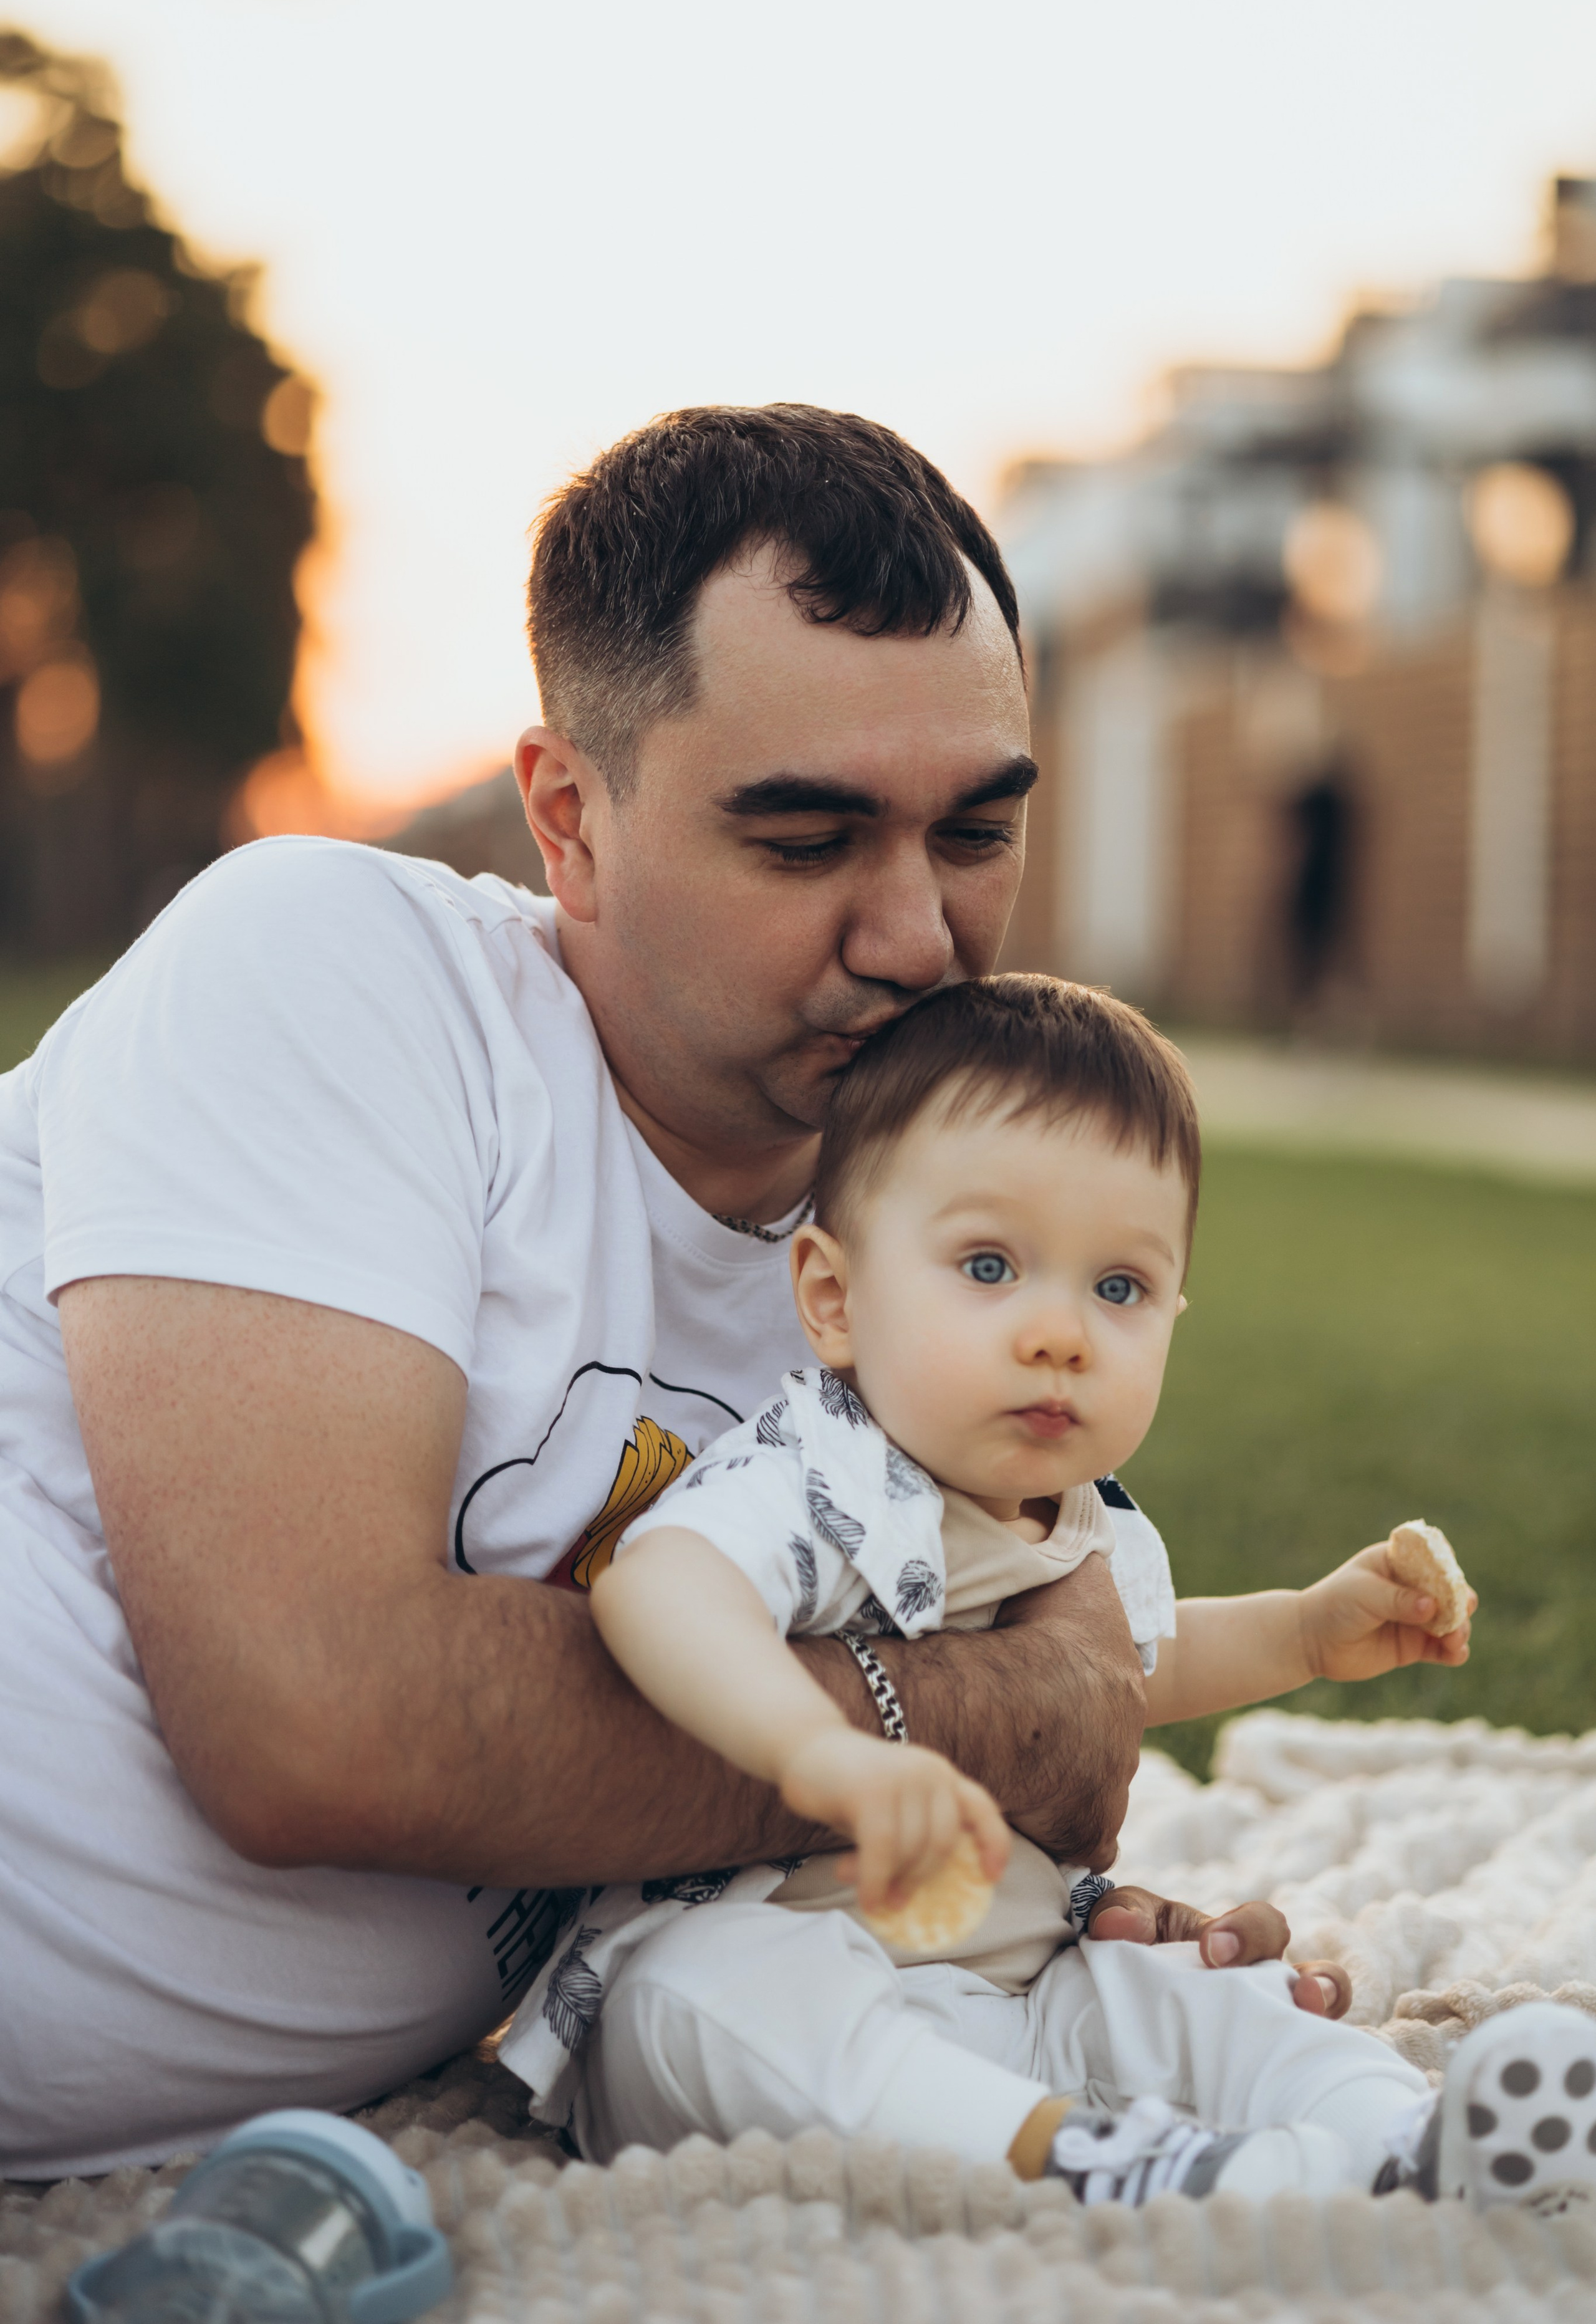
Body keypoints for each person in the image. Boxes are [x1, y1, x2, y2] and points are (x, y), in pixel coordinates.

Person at [0, 405, 1445, 2181]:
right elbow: (317, 1719)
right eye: (805, 840)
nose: (919, 937)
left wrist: (999, 1929)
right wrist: (983, 1728)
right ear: (568, 821)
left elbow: (989, 1724)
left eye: (975, 833)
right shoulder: (340, 977)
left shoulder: (915, 1285)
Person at [499, 976, 1469, 2198]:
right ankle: (1084, 2161)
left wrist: (1305, 1633)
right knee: (696, 1997)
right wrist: (819, 1746)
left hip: (1018, 1988)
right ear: (834, 1298)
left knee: (1201, 1996)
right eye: (989, 1265)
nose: (1059, 1331)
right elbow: (660, 1587)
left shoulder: (1081, 1520)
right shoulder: (821, 1470)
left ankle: (1398, 2136)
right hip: (789, 1975)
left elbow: (1131, 1671)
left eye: (1116, 1288)